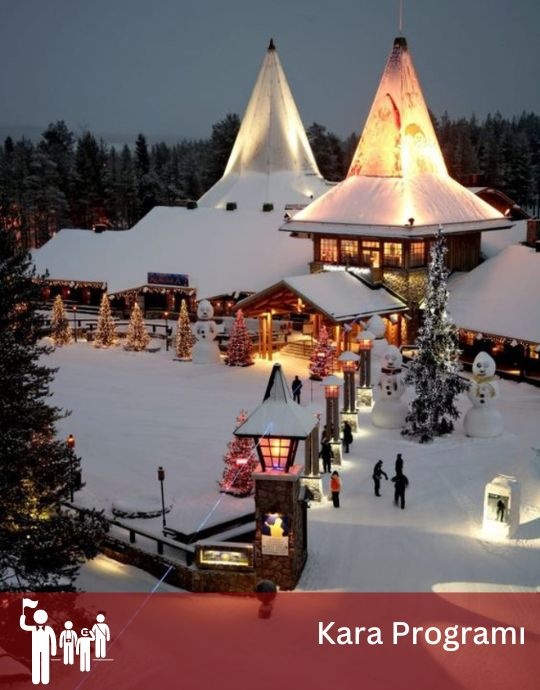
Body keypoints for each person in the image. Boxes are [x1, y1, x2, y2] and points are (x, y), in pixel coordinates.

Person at [19, 607, 57, 685]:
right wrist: (22, 618)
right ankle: (36, 677)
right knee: (36, 661)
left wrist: (53, 650)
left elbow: (53, 639)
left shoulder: (48, 629)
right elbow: (24, 626)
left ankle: (45, 677)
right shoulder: (33, 628)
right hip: (35, 648)